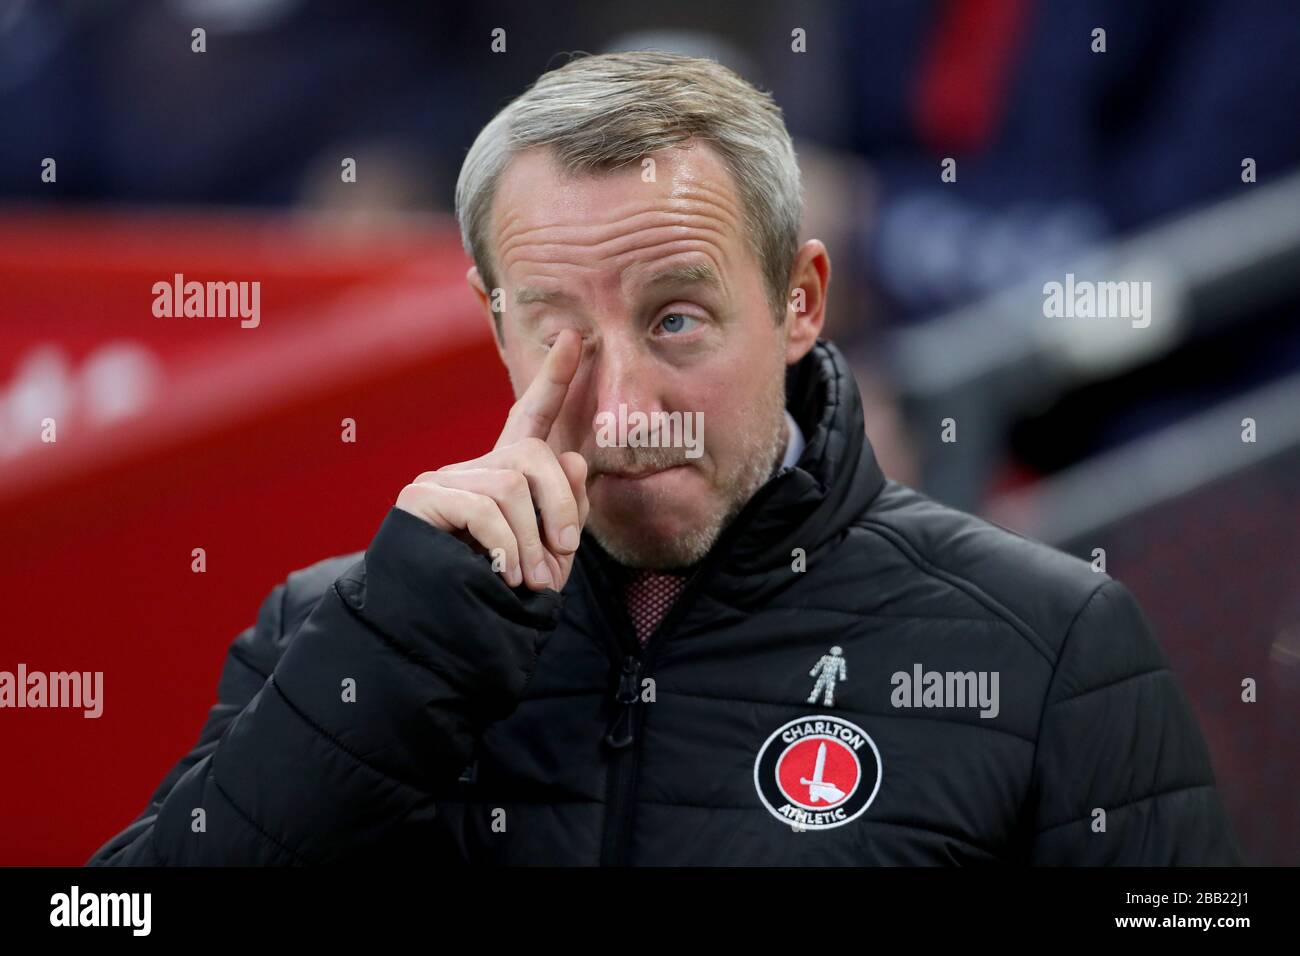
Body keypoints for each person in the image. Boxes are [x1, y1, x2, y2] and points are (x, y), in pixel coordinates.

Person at [88, 51, 1239, 866]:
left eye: (676, 318)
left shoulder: (1050, 641)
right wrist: (394, 664)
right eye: (560, 334)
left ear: (800, 302)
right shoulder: (344, 627)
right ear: (493, 326)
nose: (626, 405)